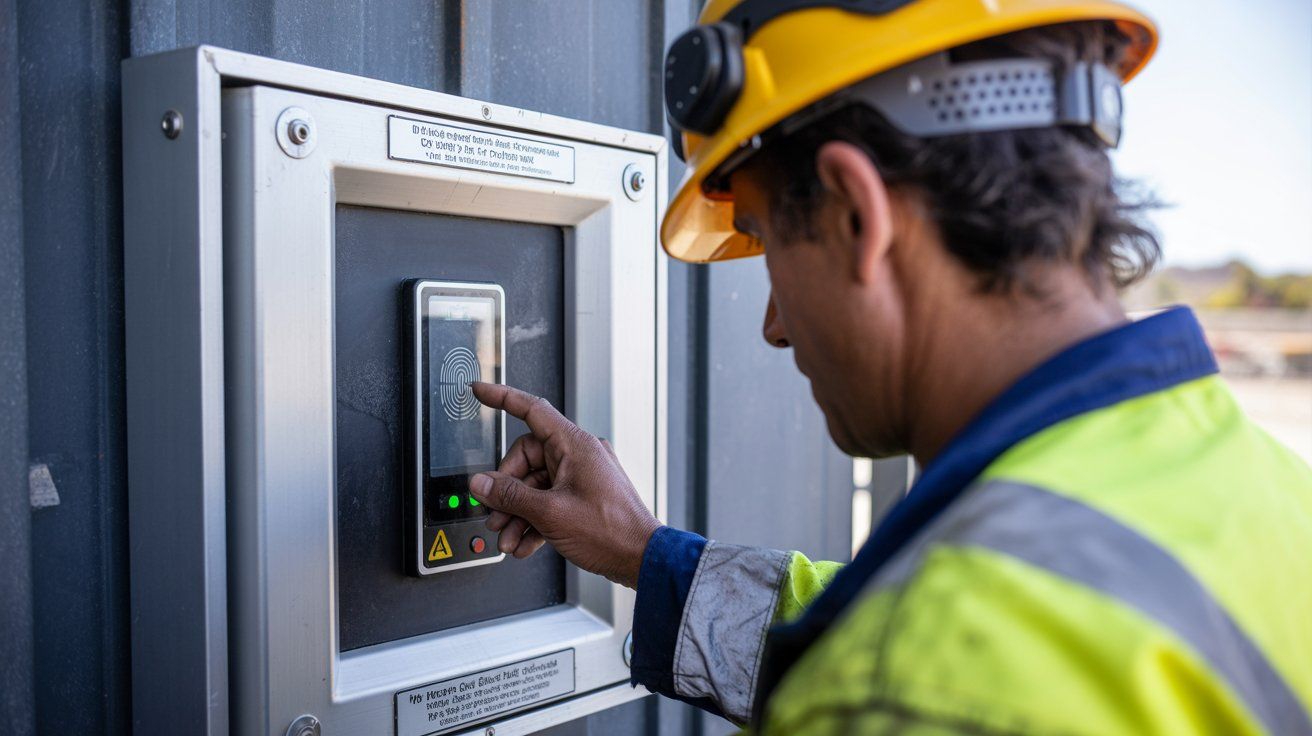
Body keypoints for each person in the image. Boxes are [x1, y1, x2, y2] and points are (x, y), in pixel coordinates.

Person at [467, 0, 1312, 733]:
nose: (773, 326)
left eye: (767, 244)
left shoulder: (901, 686)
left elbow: (917, 656)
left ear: (855, 215)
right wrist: (647, 555)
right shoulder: (1264, 493)